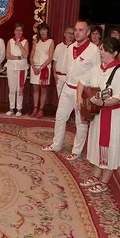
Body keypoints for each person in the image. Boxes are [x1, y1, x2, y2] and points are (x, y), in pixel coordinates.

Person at [77, 38, 120, 194]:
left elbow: (116, 98)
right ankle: (96, 175)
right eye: (100, 49)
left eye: (105, 50)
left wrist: (102, 103)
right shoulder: (97, 68)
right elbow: (81, 82)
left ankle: (104, 180)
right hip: (98, 113)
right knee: (97, 144)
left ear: (114, 53)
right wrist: (80, 98)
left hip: (113, 116)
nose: (101, 52)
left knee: (109, 147)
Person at [42, 20, 100, 158]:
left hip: (83, 91)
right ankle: (56, 144)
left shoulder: (94, 51)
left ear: (88, 32)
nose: (77, 33)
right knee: (60, 117)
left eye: (81, 30)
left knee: (81, 122)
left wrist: (91, 94)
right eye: (76, 30)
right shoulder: (70, 48)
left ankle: (76, 151)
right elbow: (67, 69)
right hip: (67, 87)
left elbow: (98, 74)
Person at [29, 23, 55, 118]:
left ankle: (41, 109)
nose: (42, 32)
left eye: (44, 29)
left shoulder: (51, 42)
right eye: (40, 30)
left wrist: (41, 68)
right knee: (35, 88)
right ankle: (35, 108)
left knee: (43, 89)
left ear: (47, 30)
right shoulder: (36, 41)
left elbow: (50, 57)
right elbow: (31, 54)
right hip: (35, 68)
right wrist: (33, 66)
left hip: (44, 68)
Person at [5, 23, 29, 116]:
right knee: (12, 88)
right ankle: (11, 108)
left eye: (20, 30)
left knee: (20, 89)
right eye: (17, 30)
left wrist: (20, 45)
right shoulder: (10, 41)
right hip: (11, 67)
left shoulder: (25, 41)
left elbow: (25, 54)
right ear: (14, 31)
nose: (18, 32)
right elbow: (7, 55)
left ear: (22, 32)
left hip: (21, 68)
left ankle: (19, 109)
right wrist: (18, 57)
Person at [53, 26, 75, 98]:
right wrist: (54, 74)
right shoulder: (59, 46)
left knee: (68, 98)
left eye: (72, 33)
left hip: (68, 77)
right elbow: (55, 61)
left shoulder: (75, 47)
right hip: (59, 76)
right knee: (60, 97)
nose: (71, 35)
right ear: (64, 34)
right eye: (69, 33)